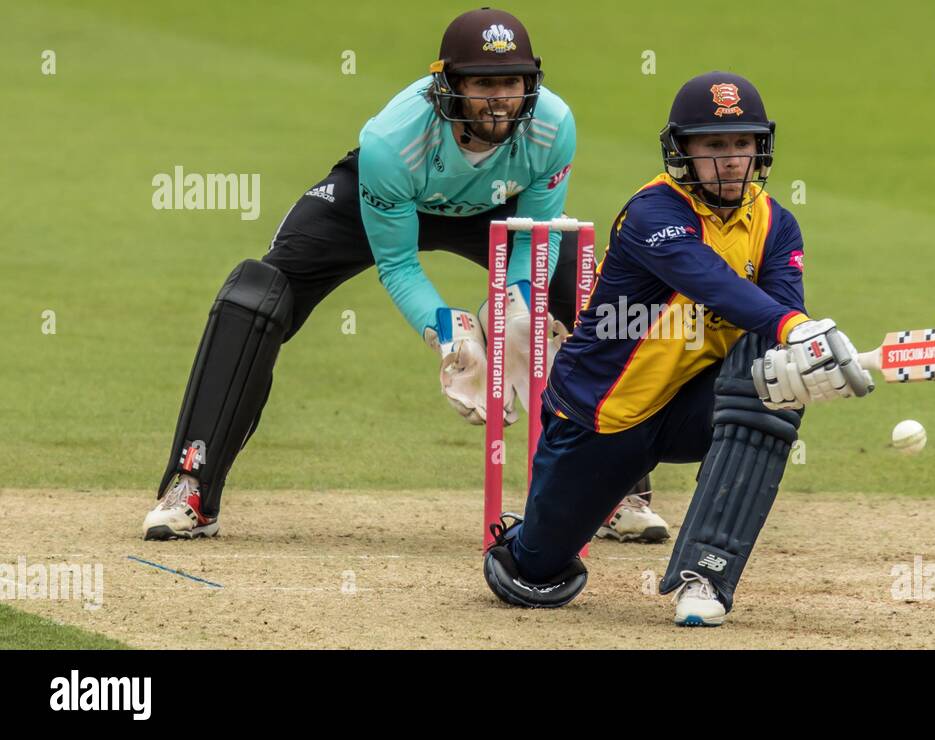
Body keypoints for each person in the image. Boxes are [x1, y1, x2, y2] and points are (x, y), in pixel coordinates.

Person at [142, 7, 667, 543]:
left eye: (511, 83)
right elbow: (397, 263)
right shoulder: (391, 141)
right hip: (390, 197)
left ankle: (617, 488)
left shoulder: (552, 124)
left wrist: (516, 306)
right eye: (482, 83)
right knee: (256, 295)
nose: (499, 98)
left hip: (494, 207)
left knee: (591, 297)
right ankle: (192, 486)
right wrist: (448, 330)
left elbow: (539, 235)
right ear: (448, 85)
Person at [482, 71, 873, 626]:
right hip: (602, 413)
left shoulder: (776, 225)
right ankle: (537, 536)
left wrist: (811, 356)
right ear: (682, 150)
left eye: (742, 143)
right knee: (535, 573)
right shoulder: (652, 213)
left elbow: (777, 325)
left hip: (695, 404)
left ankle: (706, 576)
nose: (731, 159)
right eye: (713, 145)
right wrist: (794, 327)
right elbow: (711, 280)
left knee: (775, 382)